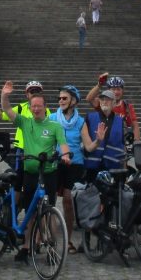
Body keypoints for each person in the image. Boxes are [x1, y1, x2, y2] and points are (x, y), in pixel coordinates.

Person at [0, 80, 71, 262]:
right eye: (34, 106)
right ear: (30, 108)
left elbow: (63, 144)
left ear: (45, 107)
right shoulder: (25, 122)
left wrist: (66, 155)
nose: (36, 109)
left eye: (39, 106)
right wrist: (4, 95)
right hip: (30, 171)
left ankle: (52, 248)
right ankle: (26, 246)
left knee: (49, 211)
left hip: (49, 172)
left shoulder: (54, 126)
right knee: (30, 210)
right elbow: (7, 111)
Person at [51, 85, 86, 252]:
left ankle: (68, 239)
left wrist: (99, 140)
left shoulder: (80, 121)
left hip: (75, 163)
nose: (60, 101)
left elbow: (88, 145)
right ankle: (48, 237)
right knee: (48, 200)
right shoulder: (51, 118)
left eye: (64, 98)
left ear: (74, 101)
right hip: (56, 162)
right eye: (59, 98)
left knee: (67, 200)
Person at [81, 89, 126, 181]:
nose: (104, 102)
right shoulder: (90, 117)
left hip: (113, 167)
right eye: (102, 99)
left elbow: (123, 145)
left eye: (108, 99)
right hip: (92, 167)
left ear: (114, 103)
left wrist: (124, 168)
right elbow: (87, 146)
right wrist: (98, 140)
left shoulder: (120, 121)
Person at [84, 73, 141, 140]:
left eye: (118, 89)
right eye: (113, 89)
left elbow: (135, 126)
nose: (116, 92)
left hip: (119, 141)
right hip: (102, 139)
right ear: (108, 90)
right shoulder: (103, 103)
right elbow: (89, 98)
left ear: (122, 91)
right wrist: (99, 85)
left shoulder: (127, 106)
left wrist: (136, 143)